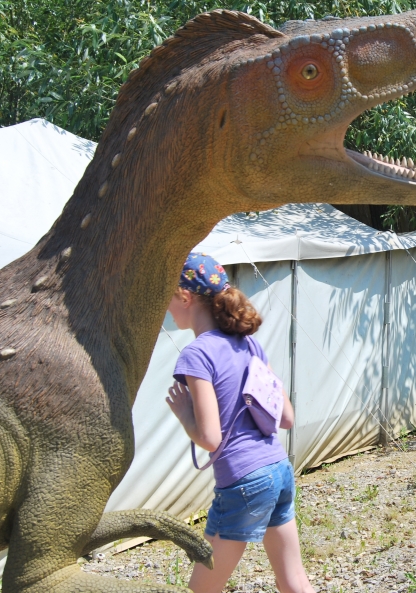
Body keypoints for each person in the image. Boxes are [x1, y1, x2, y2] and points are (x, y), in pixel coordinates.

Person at [165, 252, 315, 593]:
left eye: (167, 298)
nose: (166, 309)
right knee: (293, 581)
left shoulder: (196, 354)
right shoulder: (250, 344)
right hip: (278, 469)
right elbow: (287, 417)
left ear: (185, 297)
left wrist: (185, 414)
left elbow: (211, 438)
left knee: (201, 590)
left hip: (243, 482)